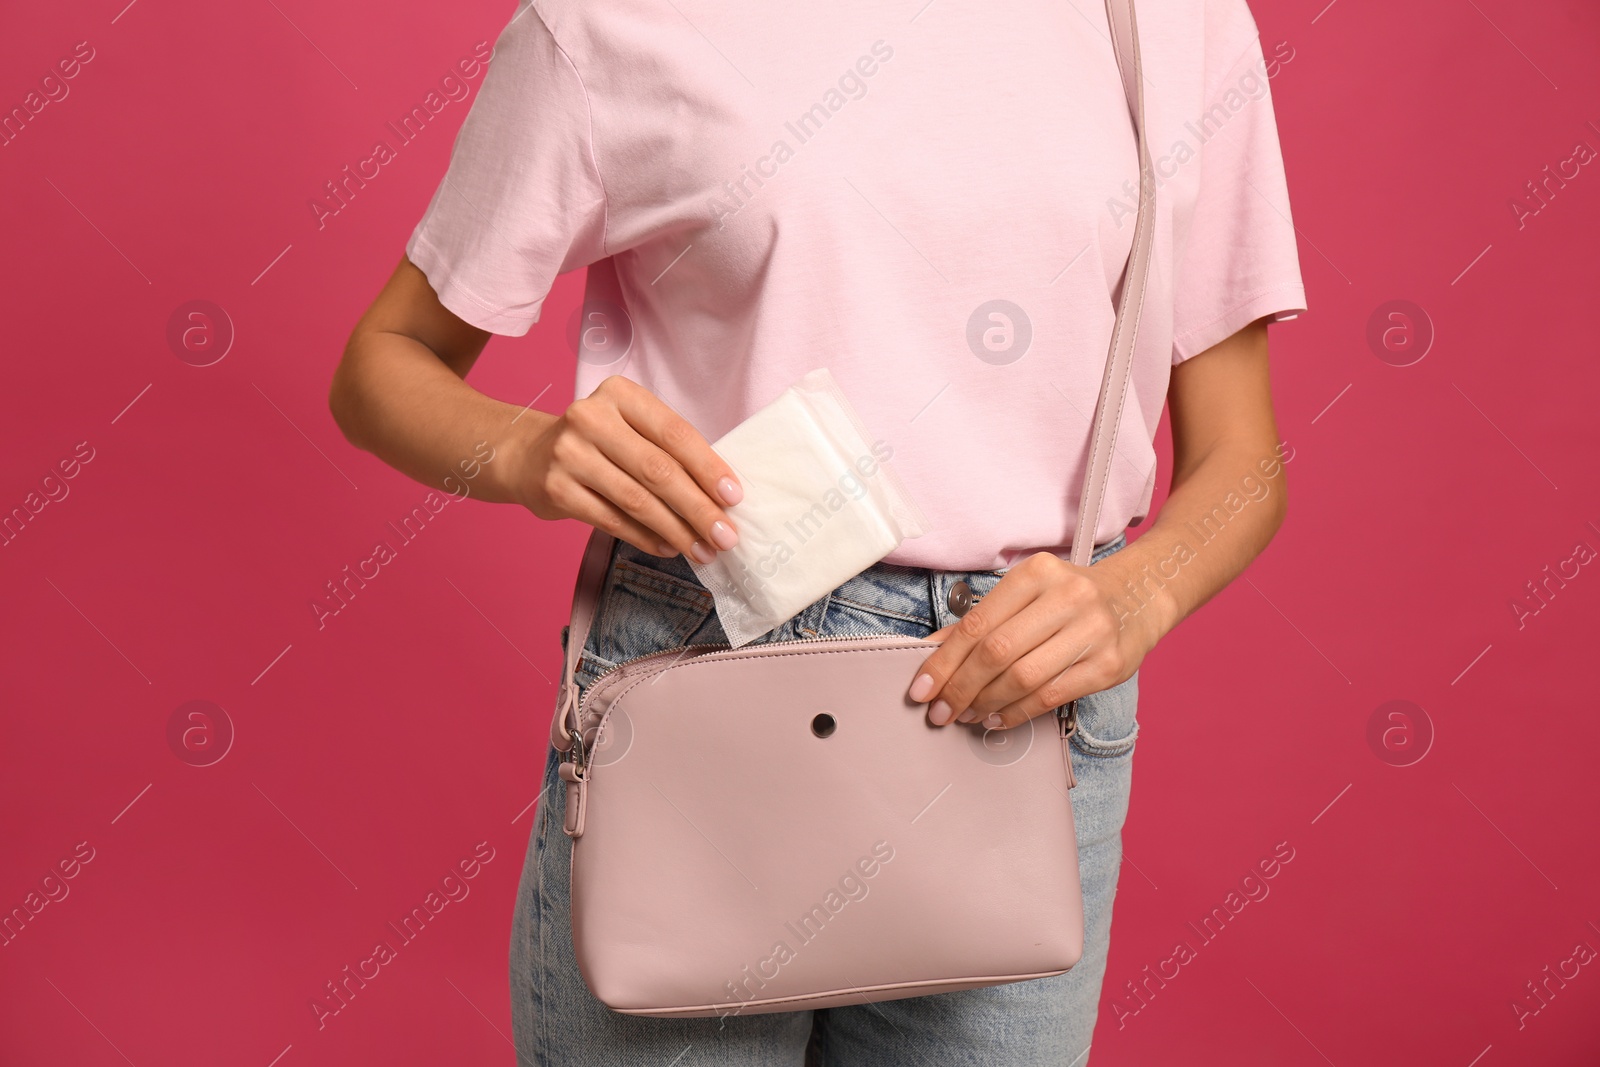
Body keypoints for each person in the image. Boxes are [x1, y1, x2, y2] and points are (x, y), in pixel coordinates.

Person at [329, 0, 1306, 1061]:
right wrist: (529, 454)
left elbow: (1241, 461)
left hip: (1020, 703)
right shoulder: (605, 21)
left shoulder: (1169, 18)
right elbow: (381, 364)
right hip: (707, 681)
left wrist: (1138, 590)